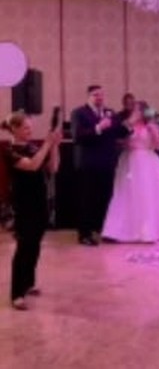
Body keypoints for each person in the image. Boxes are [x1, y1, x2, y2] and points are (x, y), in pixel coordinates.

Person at [1, 112, 61, 310]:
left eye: (30, 127)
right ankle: (17, 294)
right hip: (23, 205)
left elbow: (52, 168)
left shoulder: (33, 147)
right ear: (15, 130)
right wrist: (46, 144)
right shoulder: (9, 151)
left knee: (34, 245)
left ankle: (28, 283)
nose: (29, 131)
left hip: (39, 203)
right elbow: (33, 165)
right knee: (24, 247)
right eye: (25, 128)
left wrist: (55, 146)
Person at [101, 102, 159, 243]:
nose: (136, 112)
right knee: (126, 194)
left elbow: (158, 146)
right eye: (134, 110)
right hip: (130, 162)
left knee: (147, 195)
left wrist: (153, 133)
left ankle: (148, 231)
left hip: (148, 162)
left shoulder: (151, 126)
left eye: (138, 110)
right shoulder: (127, 125)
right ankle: (121, 231)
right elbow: (120, 142)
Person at [71, 85, 131, 246]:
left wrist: (130, 124)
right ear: (88, 96)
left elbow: (121, 132)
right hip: (88, 163)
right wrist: (98, 128)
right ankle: (84, 234)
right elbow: (77, 136)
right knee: (87, 199)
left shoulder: (110, 113)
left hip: (107, 162)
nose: (99, 98)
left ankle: (105, 231)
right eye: (95, 95)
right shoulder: (79, 113)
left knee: (106, 198)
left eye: (101, 95)